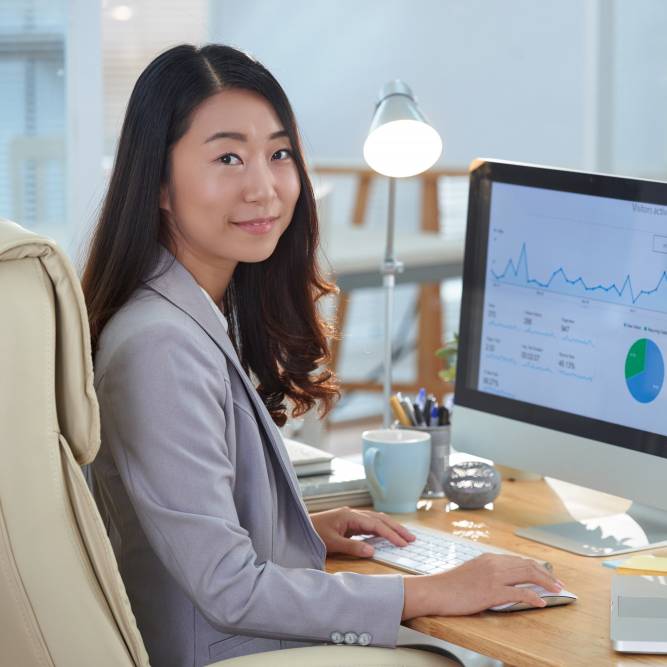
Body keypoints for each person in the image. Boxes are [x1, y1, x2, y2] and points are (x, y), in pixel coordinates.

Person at [82, 44, 562, 666]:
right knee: (459, 658)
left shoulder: (179, 310)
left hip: (224, 637)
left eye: (278, 153)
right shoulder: (159, 345)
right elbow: (229, 589)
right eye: (227, 157)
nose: (264, 187)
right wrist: (428, 590)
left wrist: (296, 532)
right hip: (221, 652)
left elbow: (189, 524)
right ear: (159, 184)